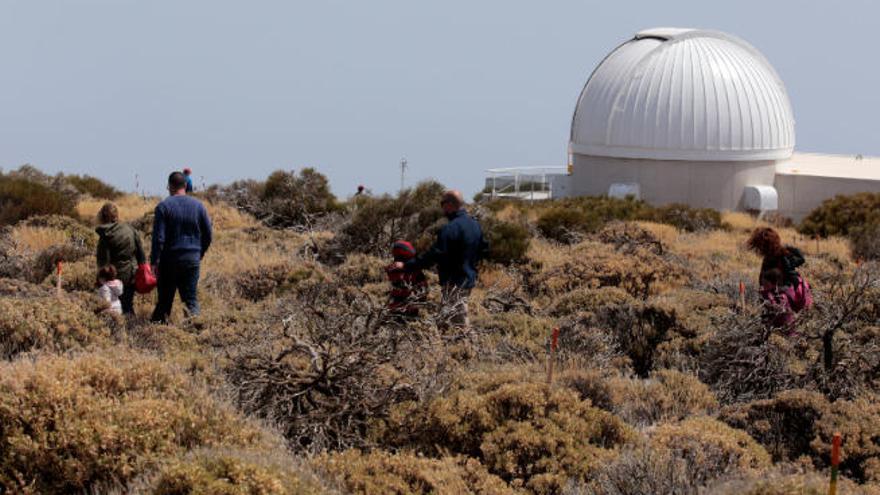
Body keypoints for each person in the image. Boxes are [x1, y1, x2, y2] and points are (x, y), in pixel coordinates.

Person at [396, 190, 488, 329]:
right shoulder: (475, 225)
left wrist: (407, 266)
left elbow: (434, 255)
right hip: (467, 279)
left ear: (450, 204)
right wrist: (469, 264)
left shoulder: (450, 228)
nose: (442, 207)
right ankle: (446, 347)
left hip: (454, 283)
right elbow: (484, 249)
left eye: (442, 203)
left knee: (460, 325)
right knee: (446, 322)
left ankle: (470, 349)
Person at [150, 171, 212, 322]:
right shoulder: (199, 206)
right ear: (185, 185)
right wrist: (200, 252)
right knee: (190, 300)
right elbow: (208, 234)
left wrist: (154, 260)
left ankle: (156, 335)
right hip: (192, 259)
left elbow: (159, 238)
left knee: (164, 302)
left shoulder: (163, 207)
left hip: (168, 260)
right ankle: (196, 331)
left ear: (169, 186)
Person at [95, 202, 145, 315]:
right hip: (132, 274)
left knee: (113, 309)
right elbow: (141, 255)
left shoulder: (106, 235)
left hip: (114, 277)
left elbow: (103, 263)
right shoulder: (130, 229)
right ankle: (134, 329)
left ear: (103, 217)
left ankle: (120, 330)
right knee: (128, 305)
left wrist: (100, 280)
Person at [385, 240, 428, 318]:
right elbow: (423, 291)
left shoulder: (391, 269)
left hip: (395, 306)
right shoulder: (416, 271)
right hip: (408, 307)